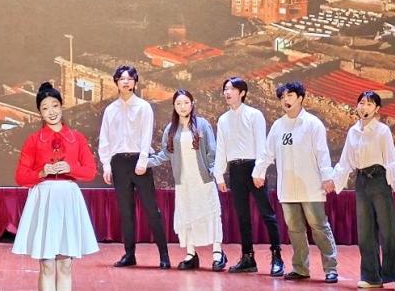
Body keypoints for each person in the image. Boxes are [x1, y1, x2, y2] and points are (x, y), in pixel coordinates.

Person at [12, 82, 99, 291]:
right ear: (39, 112)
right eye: (45, 108)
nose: (51, 111)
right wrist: (41, 172)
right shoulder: (33, 140)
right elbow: (21, 176)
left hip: (68, 198)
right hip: (45, 198)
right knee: (47, 264)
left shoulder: (77, 138)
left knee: (66, 264)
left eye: (55, 106)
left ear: (62, 107)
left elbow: (90, 171)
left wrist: (70, 168)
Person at [253, 81, 339, 284]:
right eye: (282, 97)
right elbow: (267, 153)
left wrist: (327, 177)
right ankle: (300, 268)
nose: (285, 100)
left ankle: (331, 268)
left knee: (319, 227)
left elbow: (322, 153)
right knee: (294, 229)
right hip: (288, 187)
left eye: (289, 96)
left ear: (300, 98)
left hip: (311, 186)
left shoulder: (312, 124)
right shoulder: (278, 126)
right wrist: (259, 172)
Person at [333, 91, 395, 291]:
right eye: (361, 103)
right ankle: (371, 276)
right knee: (365, 231)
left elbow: (391, 159)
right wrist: (335, 180)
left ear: (377, 109)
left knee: (387, 229)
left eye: (369, 104)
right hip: (361, 181)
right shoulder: (353, 131)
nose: (364, 107)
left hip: (379, 179)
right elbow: (345, 160)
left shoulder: (382, 131)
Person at [97, 65, 170, 269]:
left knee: (151, 209)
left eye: (129, 78)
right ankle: (129, 254)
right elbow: (105, 138)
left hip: (139, 160)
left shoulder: (144, 107)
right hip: (119, 163)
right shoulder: (110, 110)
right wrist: (106, 164)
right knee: (126, 211)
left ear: (135, 82)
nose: (125, 82)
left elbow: (147, 135)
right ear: (116, 82)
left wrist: (143, 160)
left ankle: (164, 255)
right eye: (121, 78)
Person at [213, 77, 284, 276]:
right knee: (242, 215)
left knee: (267, 213)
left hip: (254, 167)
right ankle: (247, 258)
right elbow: (221, 149)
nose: (227, 93)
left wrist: (259, 172)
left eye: (231, 89)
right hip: (235, 170)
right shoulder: (223, 119)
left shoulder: (254, 115)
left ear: (242, 92)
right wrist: (219, 175)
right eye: (225, 89)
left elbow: (262, 146)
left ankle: (277, 256)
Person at [148, 90, 225, 271]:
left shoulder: (202, 124)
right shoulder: (171, 129)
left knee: (210, 213)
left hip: (203, 179)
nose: (182, 107)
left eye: (186, 103)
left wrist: (213, 172)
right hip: (183, 180)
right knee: (187, 214)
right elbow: (165, 154)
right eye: (178, 104)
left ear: (192, 103)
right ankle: (191, 253)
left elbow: (212, 151)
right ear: (174, 106)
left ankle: (217, 252)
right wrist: (146, 162)